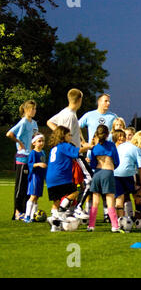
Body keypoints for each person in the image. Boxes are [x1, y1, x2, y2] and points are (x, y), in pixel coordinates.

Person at [47, 89, 92, 220]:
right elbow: (66, 134)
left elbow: (49, 122)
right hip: (72, 153)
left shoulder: (65, 112)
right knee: (89, 180)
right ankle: (74, 209)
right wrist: (86, 146)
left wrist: (82, 142)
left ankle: (58, 215)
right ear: (79, 100)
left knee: (76, 184)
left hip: (60, 164)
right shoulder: (70, 116)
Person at [46, 126, 93, 231]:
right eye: (69, 135)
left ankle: (54, 225)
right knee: (75, 192)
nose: (70, 137)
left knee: (56, 201)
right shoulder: (64, 145)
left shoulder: (54, 148)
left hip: (50, 178)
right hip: (61, 176)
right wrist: (88, 146)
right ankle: (61, 213)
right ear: (63, 136)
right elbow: (78, 151)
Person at [6, 100, 39, 220]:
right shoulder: (23, 122)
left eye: (35, 109)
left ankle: (25, 211)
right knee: (20, 187)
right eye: (32, 109)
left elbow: (34, 136)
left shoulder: (34, 123)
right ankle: (17, 212)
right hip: (22, 158)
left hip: (30, 157)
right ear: (25, 110)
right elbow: (9, 134)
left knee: (27, 187)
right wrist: (19, 142)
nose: (34, 111)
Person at [87, 125, 121, 232]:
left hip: (97, 173)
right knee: (110, 199)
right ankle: (115, 225)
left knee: (95, 200)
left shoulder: (95, 148)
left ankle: (91, 225)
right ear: (107, 135)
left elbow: (92, 163)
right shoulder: (111, 146)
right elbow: (117, 161)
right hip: (108, 171)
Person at [24, 132, 47, 223]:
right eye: (39, 141)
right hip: (34, 177)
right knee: (32, 196)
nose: (41, 143)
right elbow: (29, 164)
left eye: (43, 141)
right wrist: (38, 164)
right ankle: (27, 216)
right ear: (34, 143)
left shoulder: (43, 152)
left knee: (37, 197)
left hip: (40, 177)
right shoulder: (33, 153)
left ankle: (34, 216)